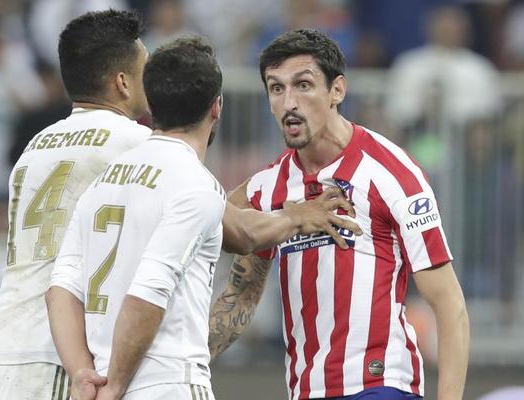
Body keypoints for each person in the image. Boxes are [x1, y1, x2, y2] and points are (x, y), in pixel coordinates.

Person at [46, 36, 362, 400]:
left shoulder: (103, 182)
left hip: (98, 380)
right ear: (217, 107)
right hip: (168, 383)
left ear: (151, 103)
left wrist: (82, 373)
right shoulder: (194, 184)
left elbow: (60, 290)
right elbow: (148, 293)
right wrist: (115, 385)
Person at [209, 29, 469, 400]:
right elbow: (241, 295)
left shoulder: (391, 173)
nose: (289, 102)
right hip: (304, 390)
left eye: (303, 85)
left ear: (337, 90)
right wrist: (176, 364)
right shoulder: (265, 190)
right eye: (276, 88)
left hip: (379, 386)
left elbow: (449, 305)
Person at [0, 10, 153, 399]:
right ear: (123, 81)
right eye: (146, 70)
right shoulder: (138, 143)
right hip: (47, 354)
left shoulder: (36, 145)